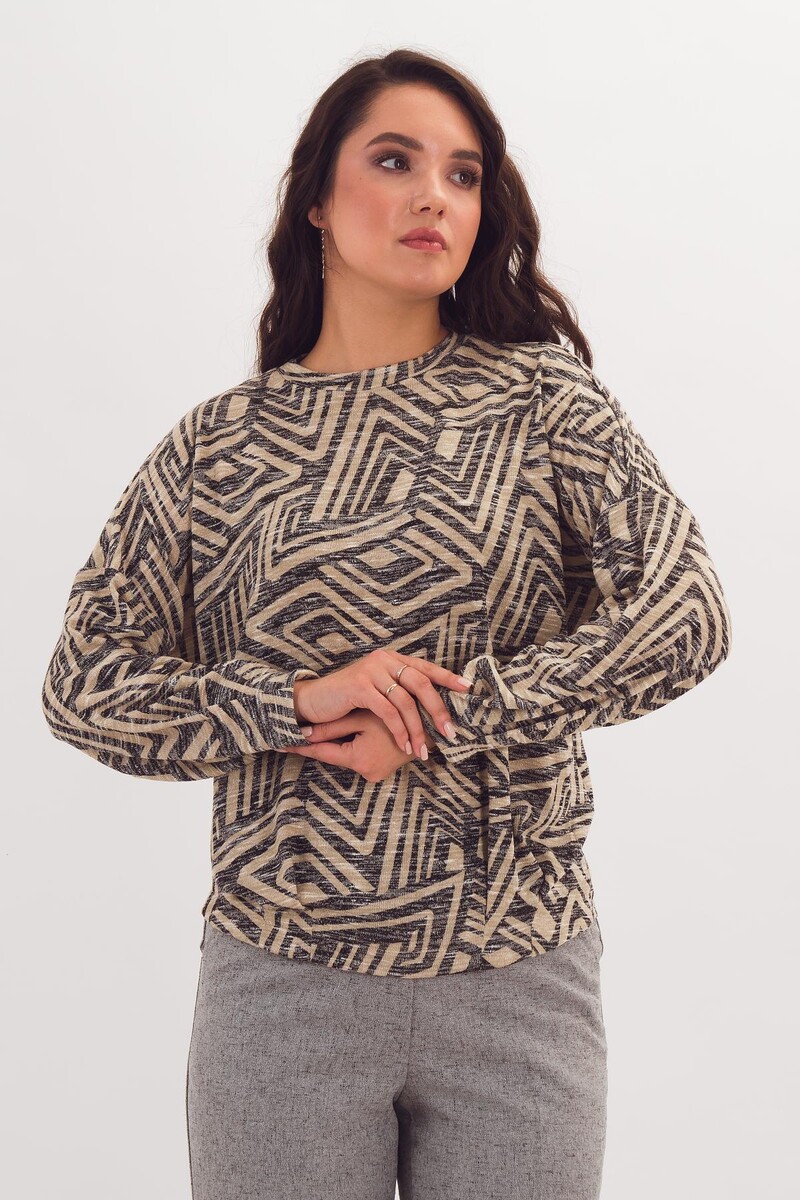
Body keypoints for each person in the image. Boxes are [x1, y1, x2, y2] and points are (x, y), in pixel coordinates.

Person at [41, 47, 732, 1200]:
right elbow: (84, 686)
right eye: (395, 161)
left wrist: (452, 712)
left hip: (518, 973)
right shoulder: (217, 448)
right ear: (315, 195)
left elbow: (683, 614)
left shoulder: (541, 403)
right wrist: (289, 701)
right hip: (281, 984)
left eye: (462, 175)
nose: (433, 198)